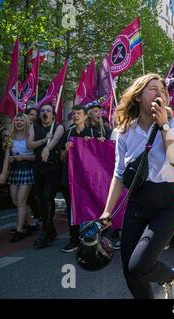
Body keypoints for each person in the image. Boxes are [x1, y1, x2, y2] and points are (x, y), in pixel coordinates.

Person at [99, 73, 174, 299]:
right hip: (137, 203)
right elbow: (119, 174)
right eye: (153, 89)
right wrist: (107, 211)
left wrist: (164, 126)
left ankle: (172, 277)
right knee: (130, 272)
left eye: (162, 90)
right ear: (138, 97)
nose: (160, 94)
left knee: (139, 267)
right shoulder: (125, 130)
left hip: (166, 204)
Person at [59, 105, 100, 253]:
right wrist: (66, 149)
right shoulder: (68, 132)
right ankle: (74, 239)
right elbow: (61, 157)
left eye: (79, 113)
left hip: (88, 178)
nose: (76, 116)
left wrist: (94, 143)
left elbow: (99, 157)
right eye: (74, 113)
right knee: (72, 208)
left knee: (90, 207)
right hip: (69, 177)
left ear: (85, 117)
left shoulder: (93, 133)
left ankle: (92, 238)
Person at [27, 104, 64, 248]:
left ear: (53, 115)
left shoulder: (58, 127)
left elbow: (55, 141)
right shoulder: (33, 127)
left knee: (48, 197)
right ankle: (51, 230)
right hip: (38, 167)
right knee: (41, 198)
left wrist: (47, 148)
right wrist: (43, 141)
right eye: (42, 111)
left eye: (48, 111)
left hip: (53, 167)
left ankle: (45, 232)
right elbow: (30, 144)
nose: (44, 113)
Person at [0, 113, 35, 242]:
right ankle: (31, 223)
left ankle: (19, 230)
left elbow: (37, 157)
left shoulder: (30, 136)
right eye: (17, 120)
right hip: (14, 171)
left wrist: (23, 157)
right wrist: (4, 172)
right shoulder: (10, 136)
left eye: (22, 120)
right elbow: (7, 156)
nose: (19, 122)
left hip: (27, 169)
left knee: (21, 201)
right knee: (15, 201)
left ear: (26, 123)